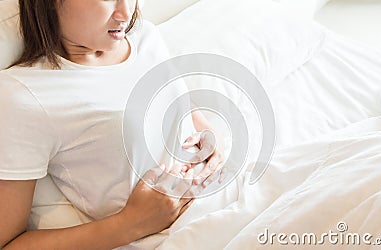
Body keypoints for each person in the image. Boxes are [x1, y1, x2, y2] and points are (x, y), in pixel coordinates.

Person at [0, 0, 225, 249]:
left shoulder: (144, 35)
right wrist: (131, 223)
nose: (126, 13)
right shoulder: (23, 94)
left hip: (229, 195)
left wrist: (207, 133)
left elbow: (172, 96)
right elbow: (9, 242)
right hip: (177, 236)